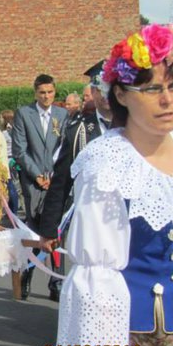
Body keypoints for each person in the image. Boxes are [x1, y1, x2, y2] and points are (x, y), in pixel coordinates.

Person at [57, 23, 173, 346]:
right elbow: (96, 279)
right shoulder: (108, 164)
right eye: (152, 90)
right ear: (123, 95)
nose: (167, 100)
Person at [39, 61, 112, 255]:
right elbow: (61, 181)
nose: (105, 95)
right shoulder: (78, 131)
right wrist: (48, 229)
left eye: (111, 88)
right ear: (93, 93)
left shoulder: (136, 126)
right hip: (93, 221)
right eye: (100, 89)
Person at [12, 74, 68, 300]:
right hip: (33, 184)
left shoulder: (62, 115)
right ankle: (27, 274)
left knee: (57, 232)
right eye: (42, 93)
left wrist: (55, 176)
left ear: (55, 92)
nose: (46, 97)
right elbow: (20, 150)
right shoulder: (24, 114)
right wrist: (37, 176)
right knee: (36, 234)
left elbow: (64, 148)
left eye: (50, 92)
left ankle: (56, 283)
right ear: (35, 93)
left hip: (57, 183)